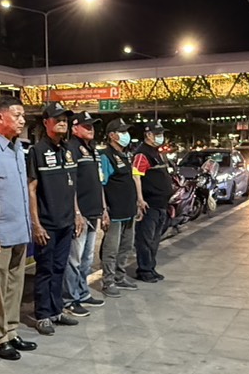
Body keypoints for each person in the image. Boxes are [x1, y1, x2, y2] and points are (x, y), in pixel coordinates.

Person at [0, 95, 37, 361]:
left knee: (14, 285)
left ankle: (11, 331)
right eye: (17, 115)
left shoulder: (17, 149)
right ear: (0, 117)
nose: (22, 120)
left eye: (23, 115)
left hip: (19, 230)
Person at [29, 102, 82, 334]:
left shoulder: (68, 149)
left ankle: (57, 310)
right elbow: (32, 189)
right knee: (45, 269)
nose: (62, 123)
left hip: (66, 221)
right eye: (57, 119)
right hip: (47, 223)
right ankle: (43, 314)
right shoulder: (37, 151)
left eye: (65, 120)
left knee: (60, 267)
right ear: (46, 123)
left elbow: (72, 185)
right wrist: (36, 224)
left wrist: (77, 213)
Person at [63, 111, 108, 317]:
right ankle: (69, 298)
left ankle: (82, 293)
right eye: (86, 126)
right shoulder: (71, 148)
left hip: (94, 210)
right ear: (75, 128)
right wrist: (76, 212)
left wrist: (104, 208)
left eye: (92, 126)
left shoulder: (92, 149)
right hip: (80, 213)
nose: (91, 129)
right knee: (74, 259)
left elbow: (98, 181)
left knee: (87, 258)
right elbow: (70, 184)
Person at [98, 118, 143, 296]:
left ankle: (119, 276)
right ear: (112, 135)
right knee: (111, 249)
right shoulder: (106, 156)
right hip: (114, 211)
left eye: (126, 131)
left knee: (126, 246)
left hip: (128, 209)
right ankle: (108, 281)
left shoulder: (126, 155)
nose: (126, 135)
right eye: (122, 132)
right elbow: (101, 184)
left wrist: (137, 202)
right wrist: (104, 210)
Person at [132, 122, 172, 282]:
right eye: (158, 134)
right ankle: (144, 270)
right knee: (145, 240)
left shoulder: (157, 152)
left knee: (155, 240)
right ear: (148, 135)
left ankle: (151, 268)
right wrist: (140, 199)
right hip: (149, 204)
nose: (161, 137)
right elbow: (136, 176)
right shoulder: (142, 153)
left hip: (161, 204)